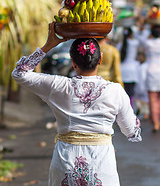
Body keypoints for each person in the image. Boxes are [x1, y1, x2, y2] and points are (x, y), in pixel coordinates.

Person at [12, 22, 142, 186]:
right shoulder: (115, 91)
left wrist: (49, 45)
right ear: (100, 59)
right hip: (102, 164)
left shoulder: (59, 86)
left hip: (65, 162)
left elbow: (19, 73)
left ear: (73, 62)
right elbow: (132, 132)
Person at [139, 25, 160, 132]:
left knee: (153, 99)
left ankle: (156, 123)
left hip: (151, 71)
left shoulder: (148, 43)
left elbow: (141, 37)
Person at [117, 27, 140, 109]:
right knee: (131, 94)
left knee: (123, 94)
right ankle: (130, 110)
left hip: (122, 71)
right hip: (132, 71)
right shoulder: (135, 43)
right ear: (131, 34)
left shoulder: (120, 45)